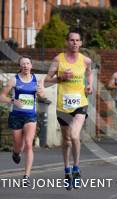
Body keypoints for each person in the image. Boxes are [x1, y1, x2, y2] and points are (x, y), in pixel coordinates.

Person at [44, 31, 93, 190]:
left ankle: (77, 168)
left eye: (77, 40)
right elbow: (46, 81)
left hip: (80, 104)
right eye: (71, 40)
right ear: (67, 42)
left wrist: (89, 85)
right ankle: (66, 170)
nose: (74, 43)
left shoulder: (86, 60)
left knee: (74, 135)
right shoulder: (58, 60)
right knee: (66, 140)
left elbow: (89, 73)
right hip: (63, 106)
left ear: (81, 43)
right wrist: (61, 78)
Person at [0, 56, 44, 186]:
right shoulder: (14, 80)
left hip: (30, 116)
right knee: (18, 146)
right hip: (16, 116)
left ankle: (26, 177)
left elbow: (43, 95)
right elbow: (1, 97)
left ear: (31, 66)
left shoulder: (36, 80)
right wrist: (13, 101)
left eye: (28, 63)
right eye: (23, 64)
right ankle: (15, 153)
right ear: (20, 66)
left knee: (29, 144)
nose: (25, 65)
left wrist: (41, 93)